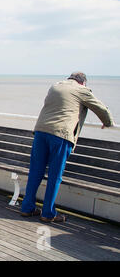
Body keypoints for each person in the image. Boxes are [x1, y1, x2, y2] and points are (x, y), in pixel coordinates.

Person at [21, 72, 114, 223]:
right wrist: (108, 122)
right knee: (54, 176)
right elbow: (101, 109)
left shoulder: (55, 86)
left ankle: (27, 208)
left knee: (35, 172)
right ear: (83, 82)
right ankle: (48, 213)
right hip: (60, 135)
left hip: (40, 131)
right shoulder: (81, 90)